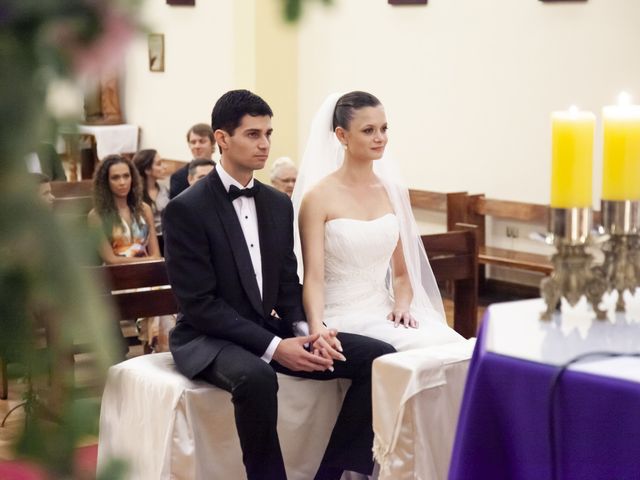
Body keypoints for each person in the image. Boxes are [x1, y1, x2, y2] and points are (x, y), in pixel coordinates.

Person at [163, 89, 395, 480]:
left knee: (378, 356)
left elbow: (289, 284)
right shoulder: (186, 209)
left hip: (264, 325)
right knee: (257, 377)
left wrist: (309, 331)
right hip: (206, 337)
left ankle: (331, 473)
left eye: (269, 133)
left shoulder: (276, 203)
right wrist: (275, 348)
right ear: (222, 138)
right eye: (253, 134)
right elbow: (200, 305)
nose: (265, 144)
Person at [293, 91, 465, 352]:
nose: (380, 138)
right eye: (368, 130)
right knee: (412, 352)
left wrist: (402, 306)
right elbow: (313, 278)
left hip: (385, 310)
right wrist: (317, 326)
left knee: (452, 345)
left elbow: (402, 274)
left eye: (384, 129)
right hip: (340, 314)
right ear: (342, 135)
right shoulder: (317, 198)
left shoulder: (391, 193)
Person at [88, 154, 161, 264]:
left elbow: (156, 255)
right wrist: (148, 260)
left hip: (148, 274)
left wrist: (150, 261)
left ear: (132, 178)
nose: (122, 182)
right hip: (115, 276)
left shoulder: (145, 209)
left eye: (126, 176)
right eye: (115, 178)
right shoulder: (96, 215)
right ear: (105, 182)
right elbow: (111, 260)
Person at [169, 123, 216, 199]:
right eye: (193, 142)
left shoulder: (222, 171)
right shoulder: (178, 177)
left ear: (212, 142)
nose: (197, 146)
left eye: (202, 141)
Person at [133, 148, 170, 235]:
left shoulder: (164, 189)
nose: (164, 167)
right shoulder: (135, 193)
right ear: (147, 170)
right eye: (159, 164)